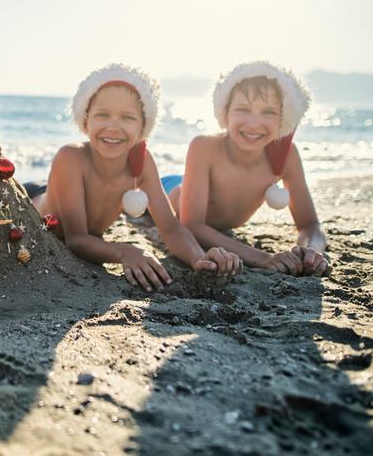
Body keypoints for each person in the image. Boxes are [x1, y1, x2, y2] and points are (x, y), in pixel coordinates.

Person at [29, 63, 240, 292]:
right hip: (34, 197)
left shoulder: (141, 162)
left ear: (143, 128)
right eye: (102, 115)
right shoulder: (70, 157)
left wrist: (199, 258)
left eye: (127, 117)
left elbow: (170, 228)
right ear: (86, 119)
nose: (113, 126)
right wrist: (127, 251)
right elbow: (77, 239)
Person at [168, 61, 328, 275]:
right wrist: (262, 257)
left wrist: (312, 251)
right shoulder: (204, 146)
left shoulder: (285, 156)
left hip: (194, 187)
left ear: (283, 118)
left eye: (268, 112)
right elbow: (191, 224)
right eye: (243, 109)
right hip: (169, 188)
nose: (254, 123)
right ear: (225, 113)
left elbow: (310, 224)